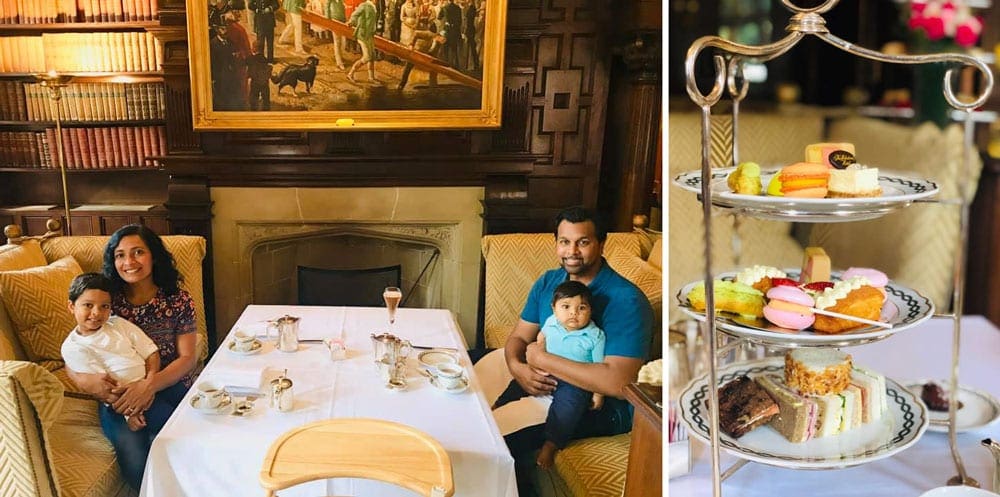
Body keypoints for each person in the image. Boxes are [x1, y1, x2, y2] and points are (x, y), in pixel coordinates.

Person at [475, 206, 653, 497]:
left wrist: (540, 359)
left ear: (601, 243)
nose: (572, 251)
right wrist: (517, 367)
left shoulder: (626, 299)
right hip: (539, 376)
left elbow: (620, 382)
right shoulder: (548, 281)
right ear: (556, 242)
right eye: (564, 241)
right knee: (463, 372)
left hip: (595, 404)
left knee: (488, 436)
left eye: (583, 242)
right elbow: (520, 337)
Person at [66, 224, 199, 491]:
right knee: (134, 456)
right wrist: (85, 382)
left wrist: (149, 385)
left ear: (153, 256)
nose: (128, 262)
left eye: (138, 252)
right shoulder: (104, 300)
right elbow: (76, 348)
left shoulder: (178, 299)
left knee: (190, 440)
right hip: (119, 395)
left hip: (169, 383)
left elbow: (188, 358)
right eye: (120, 255)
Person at [61, 273, 187, 436]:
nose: (97, 313)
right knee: (177, 427)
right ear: (71, 306)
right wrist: (130, 413)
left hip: (153, 382)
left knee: (193, 403)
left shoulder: (118, 324)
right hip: (129, 399)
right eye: (88, 305)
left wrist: (149, 383)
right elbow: (106, 388)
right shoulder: (73, 348)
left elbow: (151, 352)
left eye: (104, 306)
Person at [526, 280, 605, 469]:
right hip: (549, 371)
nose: (573, 313)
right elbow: (541, 337)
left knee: (569, 407)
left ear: (591, 311)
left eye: (581, 308)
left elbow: (599, 368)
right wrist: (539, 354)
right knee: (521, 381)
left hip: (576, 381)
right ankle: (497, 404)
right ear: (554, 309)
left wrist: (598, 394)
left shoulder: (595, 336)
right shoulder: (551, 323)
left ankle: (551, 444)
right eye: (566, 306)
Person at [346, 0, 380, 83]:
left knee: (372, 56)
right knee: (367, 57)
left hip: (370, 35)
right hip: (363, 35)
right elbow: (355, 14)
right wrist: (351, 22)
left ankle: (371, 78)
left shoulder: (374, 7)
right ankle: (350, 74)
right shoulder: (364, 5)